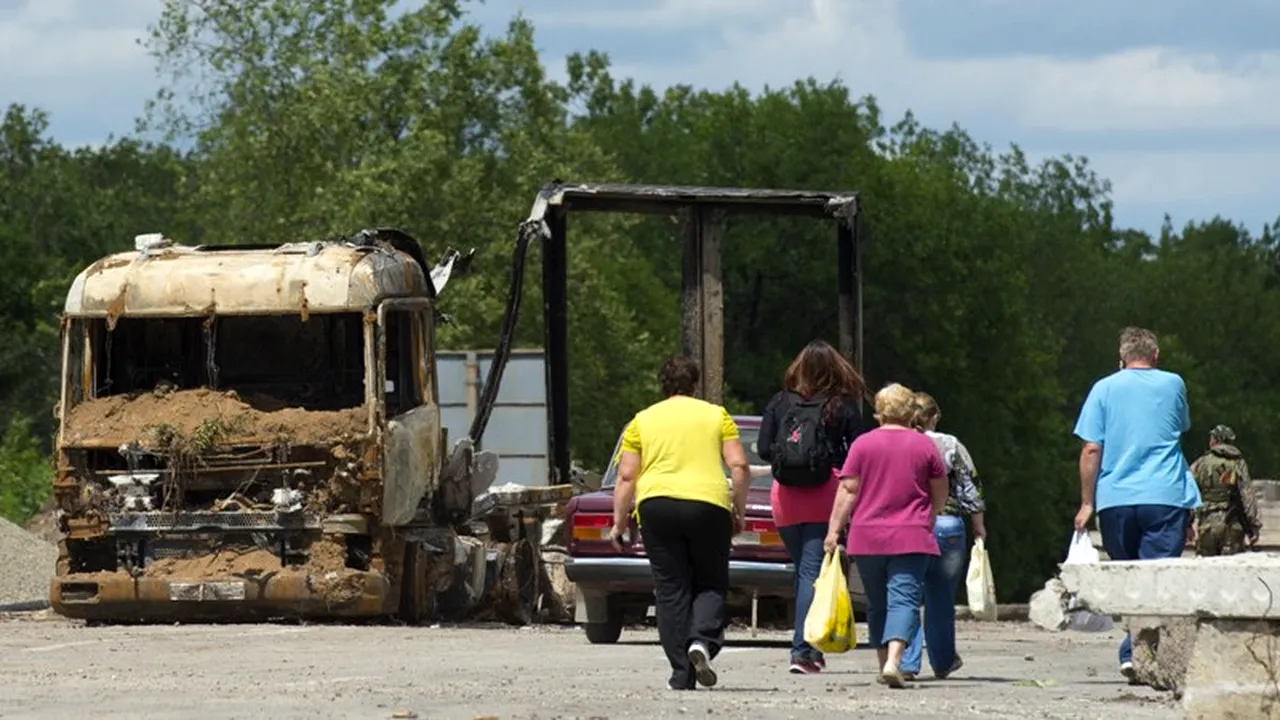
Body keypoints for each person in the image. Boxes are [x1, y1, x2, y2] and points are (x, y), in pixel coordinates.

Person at [609, 355, 751, 691]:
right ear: (695, 383)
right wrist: (739, 511)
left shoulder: (642, 420)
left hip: (657, 506)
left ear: (662, 384)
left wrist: (618, 522)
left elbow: (627, 475)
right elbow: (740, 467)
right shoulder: (716, 415)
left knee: (671, 588)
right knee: (711, 581)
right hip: (708, 505)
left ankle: (680, 672)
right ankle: (701, 641)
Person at [1072, 326, 1202, 684]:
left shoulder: (1103, 388)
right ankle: (1139, 653)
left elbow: (1091, 449)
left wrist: (1087, 502)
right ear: (1156, 356)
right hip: (1164, 495)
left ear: (1121, 358)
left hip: (1116, 499)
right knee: (1156, 578)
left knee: (1129, 575)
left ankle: (1133, 651)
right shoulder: (1173, 384)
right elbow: (1181, 426)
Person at [825, 382, 948, 688]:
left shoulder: (863, 445)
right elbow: (940, 491)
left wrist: (833, 530)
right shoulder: (924, 446)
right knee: (904, 600)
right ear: (910, 413)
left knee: (877, 603)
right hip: (912, 536)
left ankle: (884, 664)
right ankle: (894, 661)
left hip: (867, 538)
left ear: (879, 413)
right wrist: (930, 516)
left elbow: (848, 490)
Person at [756, 339, 868, 675]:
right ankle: (802, 651)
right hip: (826, 494)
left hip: (786, 497)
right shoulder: (844, 406)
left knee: (805, 572)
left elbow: (763, 449)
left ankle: (809, 649)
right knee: (811, 573)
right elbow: (857, 454)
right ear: (835, 369)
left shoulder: (779, 403)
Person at [900, 391, 987, 681]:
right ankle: (943, 661)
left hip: (911, 524)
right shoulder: (951, 444)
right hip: (948, 526)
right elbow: (970, 486)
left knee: (907, 594)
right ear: (935, 417)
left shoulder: (900, 443)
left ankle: (907, 664)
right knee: (940, 598)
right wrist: (978, 526)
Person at [1190, 425, 1261, 556]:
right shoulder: (1238, 463)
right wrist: (1254, 526)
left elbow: (1190, 494)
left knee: (1206, 570)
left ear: (1215, 440)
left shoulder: (1201, 463)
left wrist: (1188, 524)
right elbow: (1247, 496)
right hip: (1233, 524)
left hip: (1207, 524)